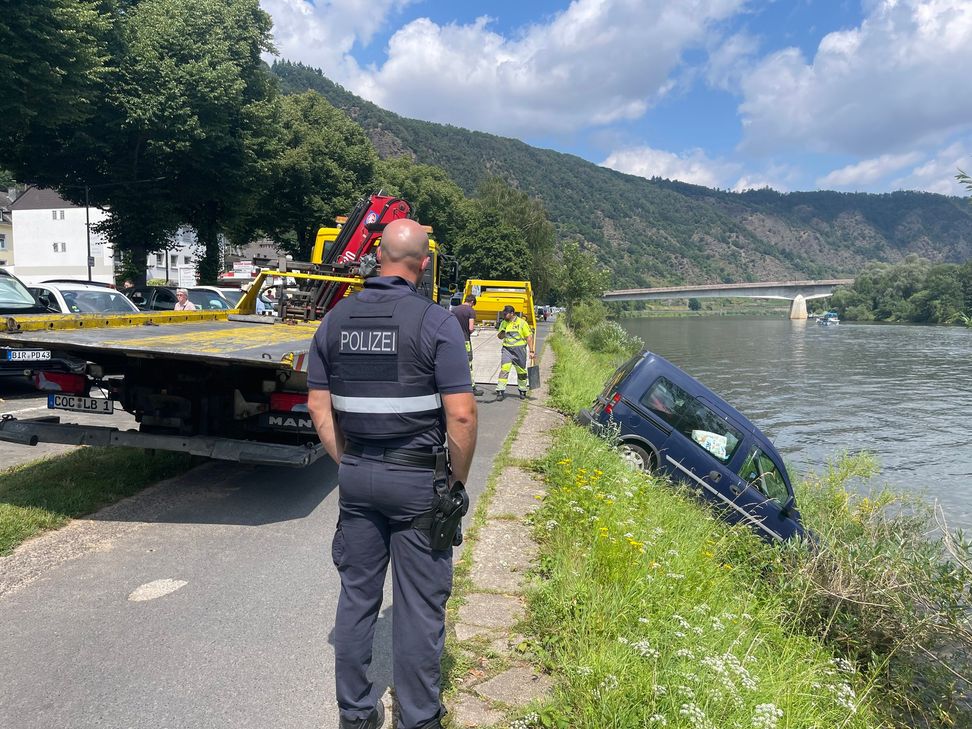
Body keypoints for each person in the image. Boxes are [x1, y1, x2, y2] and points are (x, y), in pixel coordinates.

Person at [306, 218, 478, 729]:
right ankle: (419, 718)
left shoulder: (334, 321)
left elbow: (318, 405)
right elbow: (463, 416)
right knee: (420, 606)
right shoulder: (436, 322)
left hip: (358, 475)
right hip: (417, 482)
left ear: (376, 256)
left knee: (358, 596)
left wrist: (350, 460)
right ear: (423, 265)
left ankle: (356, 714)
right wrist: (455, 483)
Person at [495, 305, 535, 401]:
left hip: (519, 350)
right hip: (507, 350)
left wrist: (532, 351)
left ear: (512, 313)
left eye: (506, 314)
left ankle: (522, 390)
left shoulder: (522, 323)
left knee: (521, 372)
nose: (504, 315)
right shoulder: (504, 323)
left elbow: (529, 337)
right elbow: (500, 337)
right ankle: (500, 390)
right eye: (503, 313)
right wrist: (502, 331)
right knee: (504, 369)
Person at [450, 293, 484, 397]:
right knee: (468, 364)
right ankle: (471, 387)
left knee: (454, 362)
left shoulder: (454, 310)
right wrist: (475, 330)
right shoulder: (470, 311)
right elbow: (470, 328)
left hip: (454, 340)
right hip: (465, 341)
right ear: (472, 302)